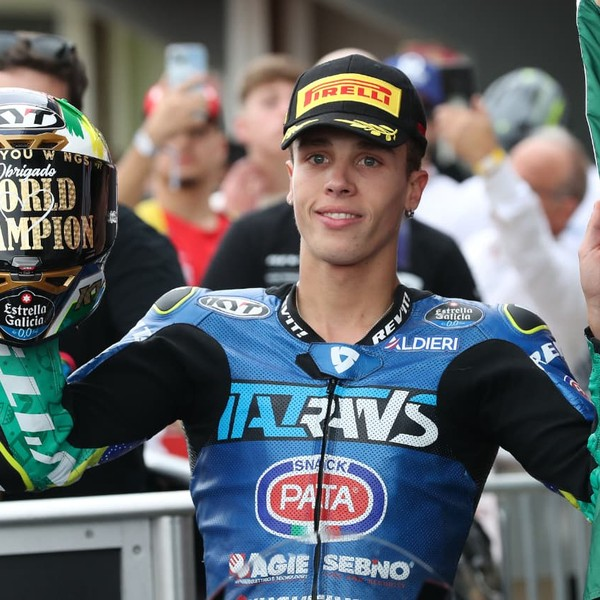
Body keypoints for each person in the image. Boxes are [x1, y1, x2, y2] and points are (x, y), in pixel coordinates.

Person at [0, 56, 597, 600]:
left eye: (369, 159)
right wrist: (22, 305)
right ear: (290, 177)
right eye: (316, 158)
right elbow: (41, 456)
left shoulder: (485, 344)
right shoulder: (201, 329)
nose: (338, 180)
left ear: (414, 186)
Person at [0, 30, 186, 499]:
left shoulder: (134, 244)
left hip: (95, 521)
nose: (20, 145)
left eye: (39, 124)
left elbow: (169, 363)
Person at [435, 98, 592, 385]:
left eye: (526, 187)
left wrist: (491, 162)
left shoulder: (578, 274)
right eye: (512, 177)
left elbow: (526, 236)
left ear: (566, 207)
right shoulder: (478, 245)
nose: (511, 194)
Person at [132, 80, 231, 286]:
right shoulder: (132, 225)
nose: (182, 143)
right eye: (169, 132)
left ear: (222, 145)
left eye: (197, 131)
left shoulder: (241, 230)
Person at [216, 52, 307, 218]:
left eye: (296, 103)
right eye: (270, 102)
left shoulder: (328, 200)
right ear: (241, 127)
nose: (286, 111)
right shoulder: (217, 209)